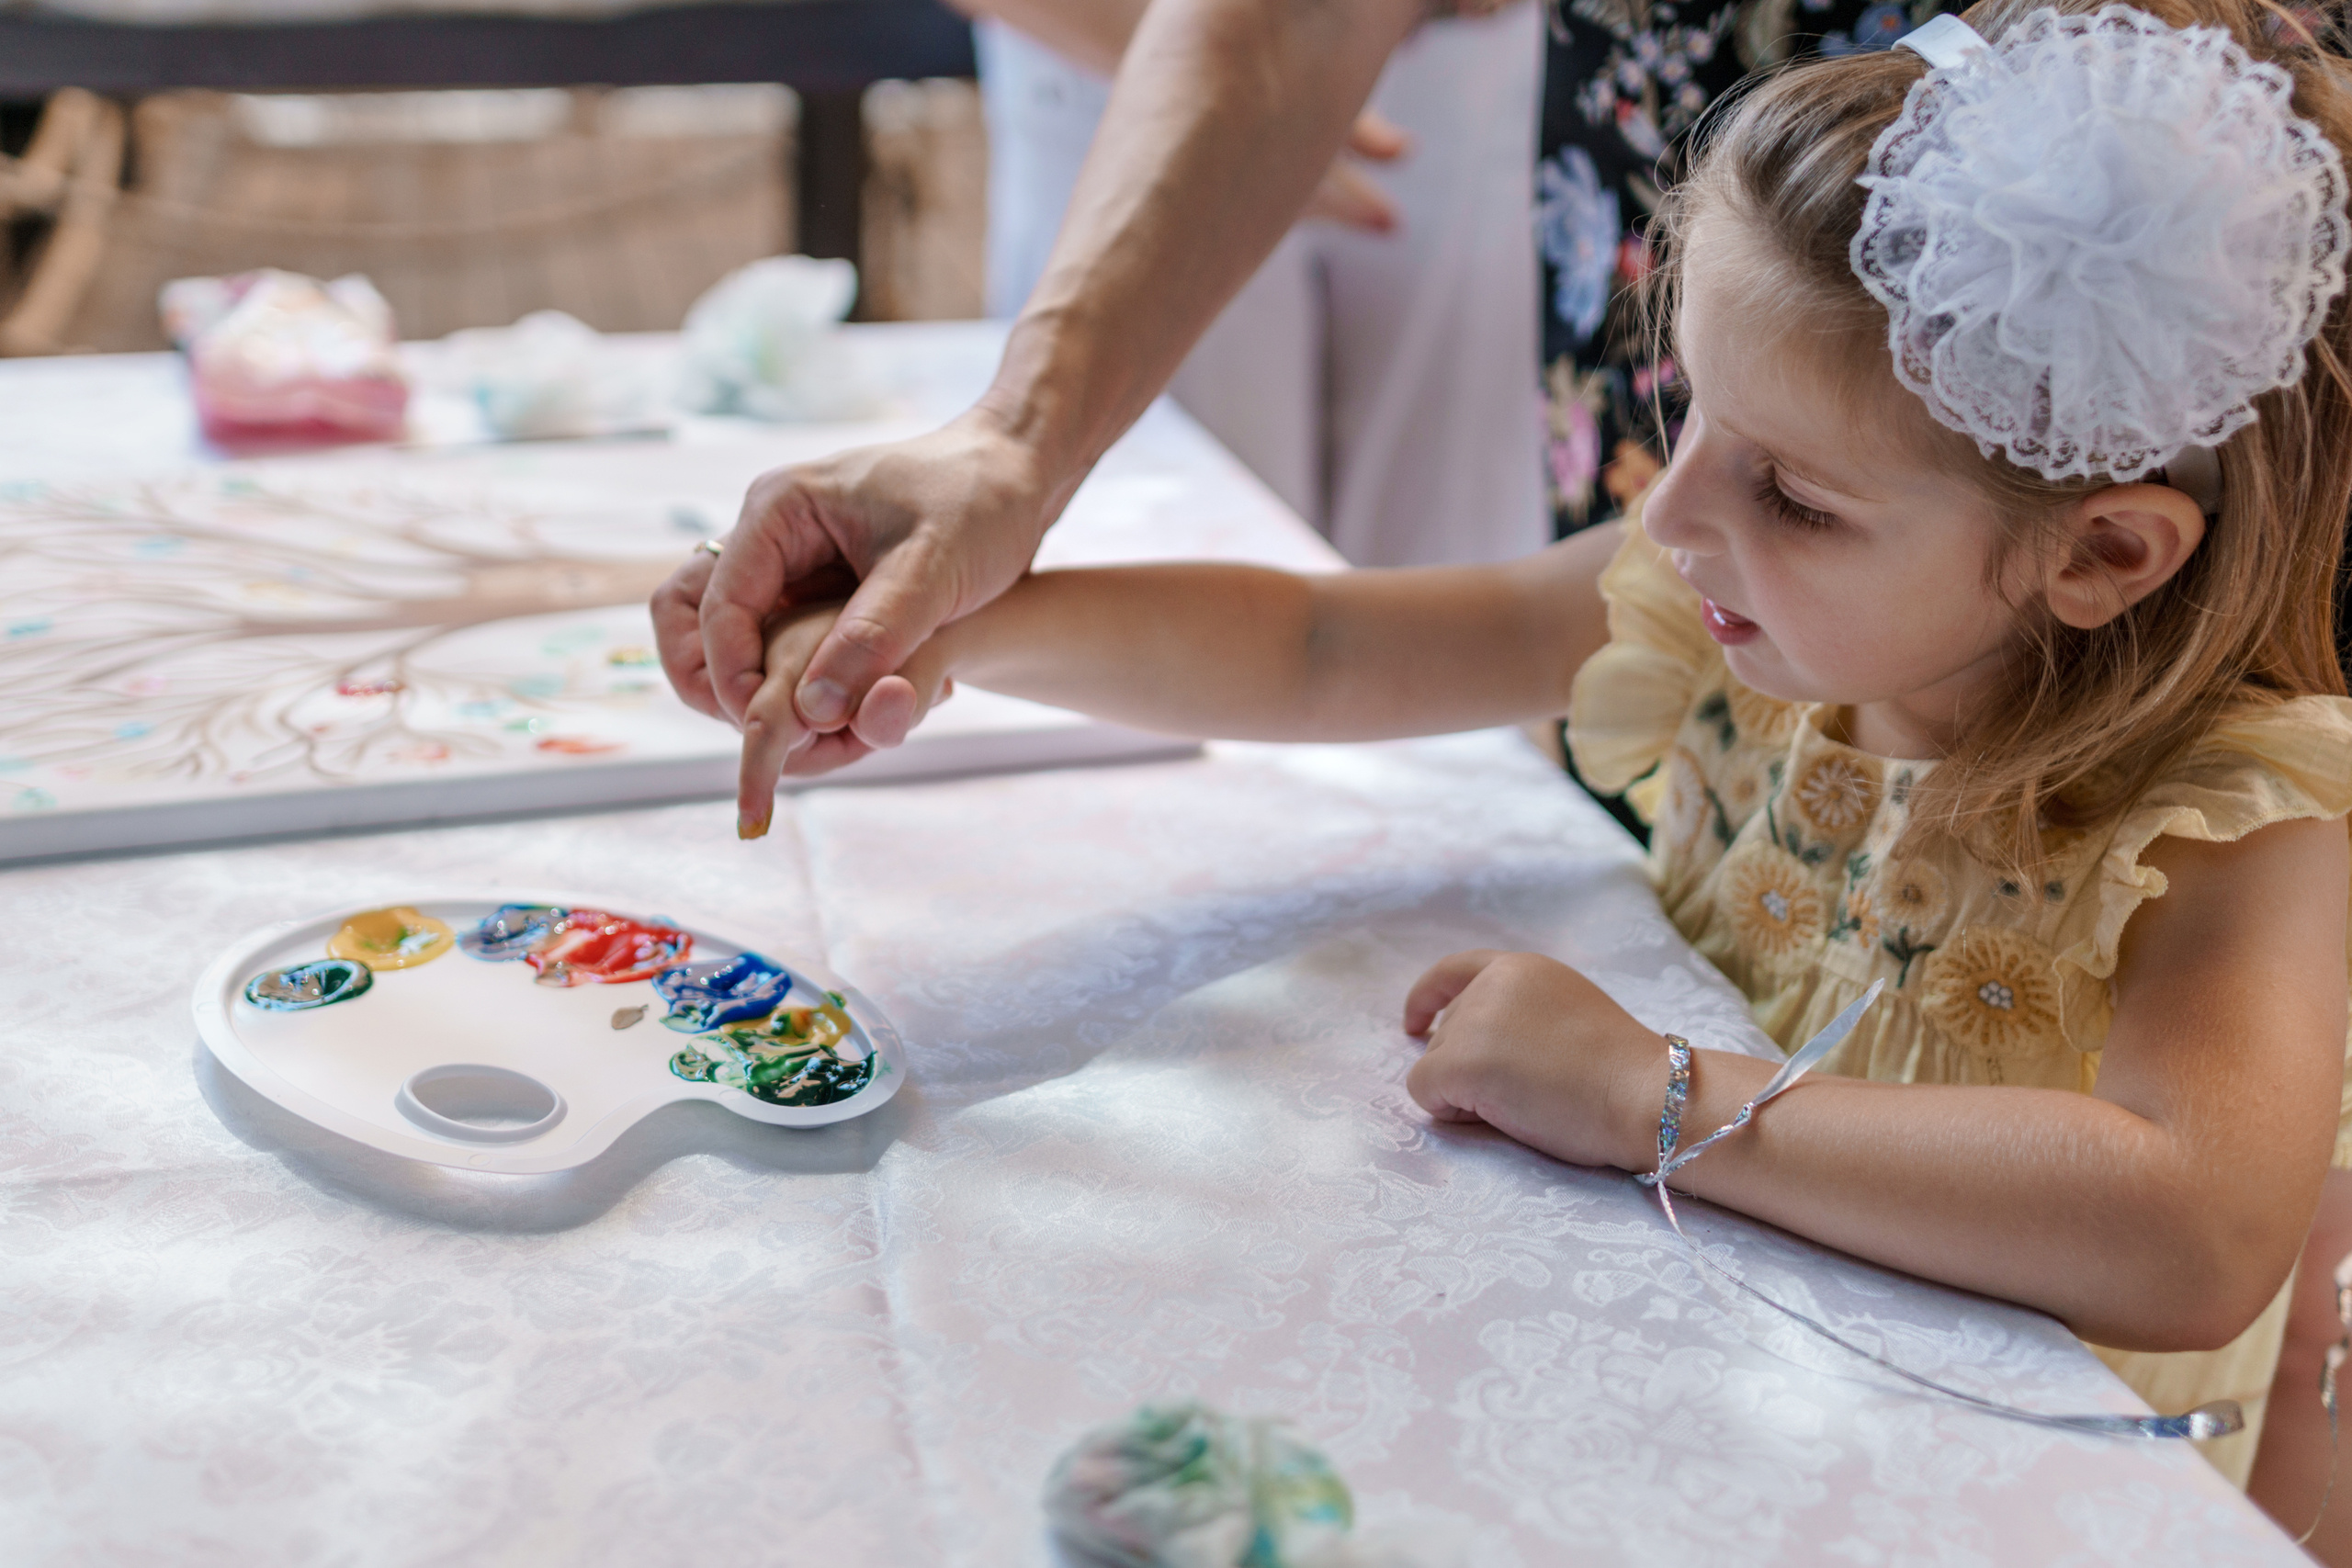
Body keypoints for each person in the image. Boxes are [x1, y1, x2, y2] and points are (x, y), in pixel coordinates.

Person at [721, 0, 2352, 1494]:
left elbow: (2191, 1222)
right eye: (1688, 412)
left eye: (1796, 493)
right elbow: (1325, 644)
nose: (1683, 514)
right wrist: (965, 625)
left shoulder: (2238, 818)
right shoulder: (1750, 615)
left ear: (2103, 555)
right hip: (1744, 1405)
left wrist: (1654, 1096)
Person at [970, 0, 1550, 567]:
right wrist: (1222, 73)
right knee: (1174, 537)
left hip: (1459, 64)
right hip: (1111, 60)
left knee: (1447, 556)